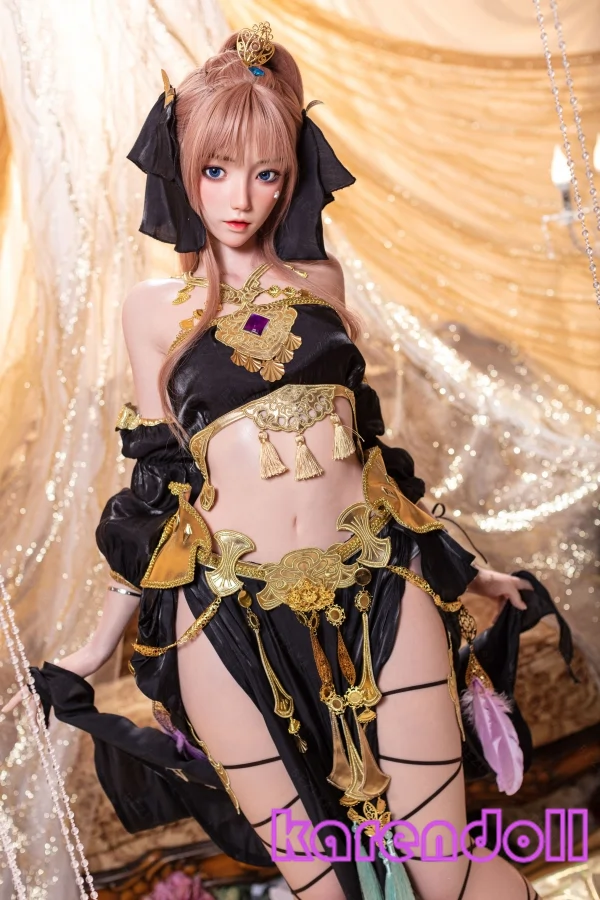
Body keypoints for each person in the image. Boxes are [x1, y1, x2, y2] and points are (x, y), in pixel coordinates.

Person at [3, 23, 579, 900]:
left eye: (266, 173)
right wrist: (94, 646)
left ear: (291, 175)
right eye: (216, 170)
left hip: (379, 583)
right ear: (183, 169)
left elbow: (375, 464)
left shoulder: (322, 285)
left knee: (443, 862)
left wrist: (470, 569)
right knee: (323, 886)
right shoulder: (152, 310)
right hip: (227, 616)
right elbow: (157, 492)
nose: (241, 197)